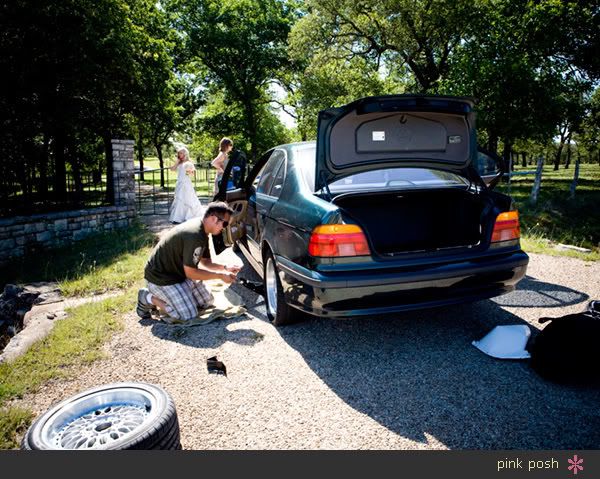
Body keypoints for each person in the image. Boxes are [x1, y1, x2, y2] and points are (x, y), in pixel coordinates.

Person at [137, 201, 241, 324]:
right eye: (225, 223)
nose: (224, 228)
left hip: (180, 274)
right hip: (161, 278)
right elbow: (191, 273)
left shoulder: (203, 231)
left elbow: (205, 262)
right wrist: (220, 276)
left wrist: (225, 268)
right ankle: (147, 297)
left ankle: (181, 294)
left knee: (207, 302)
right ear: (213, 219)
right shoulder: (194, 234)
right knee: (187, 315)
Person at [169, 146, 204, 224]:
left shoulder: (188, 163)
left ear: (185, 154)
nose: (179, 154)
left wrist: (189, 171)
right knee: (179, 199)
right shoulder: (179, 162)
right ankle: (178, 217)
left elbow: (192, 174)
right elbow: (172, 169)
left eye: (181, 153)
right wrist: (177, 162)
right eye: (178, 153)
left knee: (187, 198)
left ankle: (189, 216)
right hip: (179, 183)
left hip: (186, 183)